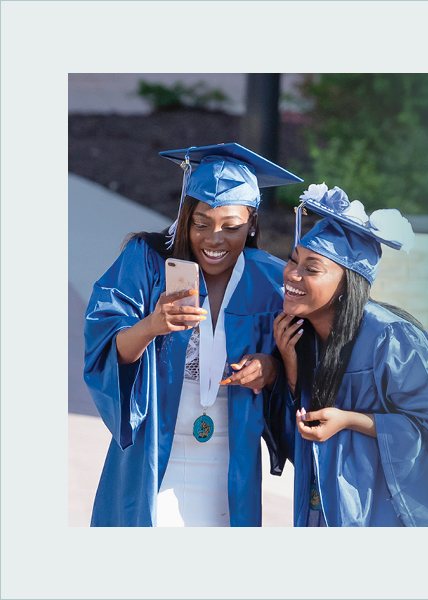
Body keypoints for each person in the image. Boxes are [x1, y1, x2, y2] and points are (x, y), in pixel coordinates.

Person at [84, 143, 302, 526]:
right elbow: (104, 347)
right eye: (201, 223)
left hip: (227, 465)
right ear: (185, 218)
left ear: (252, 222)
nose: (214, 239)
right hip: (152, 457)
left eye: (232, 227)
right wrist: (151, 326)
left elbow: (298, 374)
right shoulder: (147, 262)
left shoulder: (270, 282)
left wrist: (271, 368)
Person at [271, 183, 428, 526]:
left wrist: (350, 419)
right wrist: (291, 366)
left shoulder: (393, 339)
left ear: (347, 284)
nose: (292, 275)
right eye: (292, 260)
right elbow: (298, 435)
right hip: (328, 502)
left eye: (311, 269)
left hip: (385, 509)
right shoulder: (301, 335)